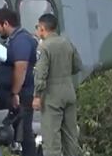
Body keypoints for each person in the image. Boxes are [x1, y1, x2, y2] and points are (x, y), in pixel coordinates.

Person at [33, 13, 83, 156]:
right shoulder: (67, 42)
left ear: (42, 28)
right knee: (71, 137)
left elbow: (41, 73)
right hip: (68, 90)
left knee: (51, 139)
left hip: (51, 95)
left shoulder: (44, 47)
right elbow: (78, 65)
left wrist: (37, 95)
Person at [0, 7, 37, 156]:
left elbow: (21, 68)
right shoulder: (13, 40)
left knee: (24, 132)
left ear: (5, 24)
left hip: (22, 94)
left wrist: (15, 93)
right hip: (12, 92)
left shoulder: (21, 40)